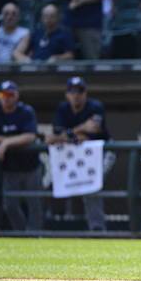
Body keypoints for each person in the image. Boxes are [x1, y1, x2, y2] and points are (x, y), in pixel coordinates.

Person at [46, 77, 114, 231]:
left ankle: (97, 228)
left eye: (79, 92)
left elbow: (93, 131)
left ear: (85, 93)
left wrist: (67, 135)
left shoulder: (95, 106)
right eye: (72, 92)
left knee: (92, 188)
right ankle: (54, 227)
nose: (76, 95)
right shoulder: (63, 109)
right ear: (67, 94)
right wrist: (78, 130)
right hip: (74, 155)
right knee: (54, 183)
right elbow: (55, 136)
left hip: (101, 154)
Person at [0, 81, 43, 231]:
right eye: (4, 94)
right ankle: (21, 233)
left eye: (10, 95)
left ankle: (35, 235)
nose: (7, 98)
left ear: (17, 96)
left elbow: (30, 136)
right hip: (10, 167)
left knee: (34, 203)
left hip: (30, 165)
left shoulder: (26, 111)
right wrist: (16, 139)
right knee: (10, 205)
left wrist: (5, 143)